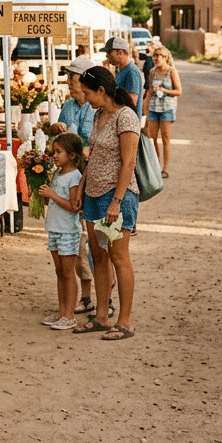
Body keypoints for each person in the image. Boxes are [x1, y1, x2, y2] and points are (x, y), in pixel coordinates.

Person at [72, 65, 140, 340]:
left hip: (116, 197)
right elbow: (96, 155)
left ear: (101, 90)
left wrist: (116, 202)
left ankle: (124, 322)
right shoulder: (99, 114)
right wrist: (82, 185)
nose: (85, 98)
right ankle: (101, 316)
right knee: (98, 256)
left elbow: (129, 162)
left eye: (87, 93)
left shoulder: (126, 117)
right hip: (93, 195)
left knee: (118, 257)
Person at [37, 133, 85, 331]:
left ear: (72, 155)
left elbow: (74, 206)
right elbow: (54, 200)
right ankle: (62, 311)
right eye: (53, 151)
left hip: (67, 231)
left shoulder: (74, 177)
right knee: (59, 272)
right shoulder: (57, 174)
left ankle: (70, 315)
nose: (54, 156)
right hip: (55, 228)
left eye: (59, 152)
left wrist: (51, 195)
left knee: (68, 273)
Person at [143, 46, 182, 178]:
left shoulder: (172, 71)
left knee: (165, 138)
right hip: (153, 108)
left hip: (167, 108)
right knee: (152, 138)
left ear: (165, 57)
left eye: (159, 56)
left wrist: (164, 90)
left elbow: (179, 91)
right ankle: (156, 165)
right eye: (154, 55)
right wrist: (145, 110)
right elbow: (149, 91)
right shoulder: (152, 71)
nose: (156, 58)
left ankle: (165, 168)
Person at [49, 56, 94, 141]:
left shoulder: (98, 107)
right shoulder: (67, 105)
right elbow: (59, 137)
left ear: (84, 79)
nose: (67, 81)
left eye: (71, 77)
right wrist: (55, 129)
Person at [104, 36, 142, 112]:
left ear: (120, 52)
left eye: (109, 52)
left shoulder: (131, 71)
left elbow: (132, 102)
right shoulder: (119, 70)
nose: (107, 55)